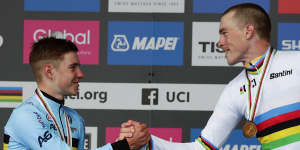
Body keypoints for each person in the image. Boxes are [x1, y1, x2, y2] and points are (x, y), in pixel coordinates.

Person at [119, 3, 300, 150]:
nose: (219, 43)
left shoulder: (296, 62)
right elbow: (201, 148)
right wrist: (148, 142)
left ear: (248, 31)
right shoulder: (234, 89)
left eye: (224, 33)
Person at [3, 37, 150, 150]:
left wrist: (123, 142)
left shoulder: (75, 119)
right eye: (72, 67)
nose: (81, 74)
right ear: (49, 72)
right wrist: (124, 146)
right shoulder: (24, 116)